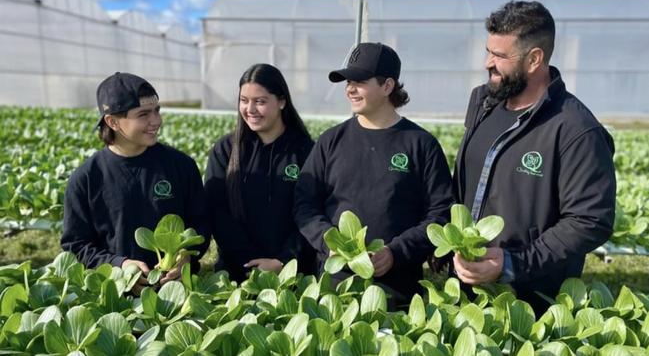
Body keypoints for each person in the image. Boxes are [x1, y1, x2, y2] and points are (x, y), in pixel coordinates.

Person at [452, 1, 616, 314]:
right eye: (489, 51)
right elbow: (467, 180)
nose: (488, 63)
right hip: (464, 288)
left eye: (500, 56)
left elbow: (590, 219)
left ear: (534, 59)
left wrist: (512, 263)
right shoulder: (483, 101)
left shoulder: (576, 129)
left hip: (529, 300)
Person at [294, 43, 454, 306]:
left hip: (397, 291)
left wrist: (396, 252)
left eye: (359, 81)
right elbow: (304, 204)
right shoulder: (330, 141)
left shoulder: (420, 144)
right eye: (348, 82)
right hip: (334, 291)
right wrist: (328, 242)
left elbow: (440, 212)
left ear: (387, 86)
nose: (349, 89)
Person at [61, 72, 209, 294]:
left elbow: (201, 223)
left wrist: (185, 256)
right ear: (112, 122)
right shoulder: (86, 178)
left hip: (179, 293)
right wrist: (119, 265)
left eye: (157, 110)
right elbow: (76, 245)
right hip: (115, 296)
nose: (156, 121)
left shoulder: (181, 166)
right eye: (143, 114)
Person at [204, 63, 316, 282]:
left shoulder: (306, 151)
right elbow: (216, 211)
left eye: (260, 101)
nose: (250, 109)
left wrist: (285, 260)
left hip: (292, 273)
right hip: (235, 273)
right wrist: (248, 262)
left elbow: (312, 212)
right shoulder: (226, 150)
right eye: (244, 101)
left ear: (282, 101)